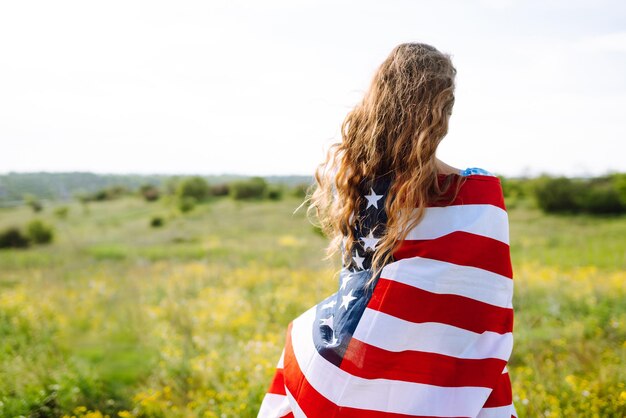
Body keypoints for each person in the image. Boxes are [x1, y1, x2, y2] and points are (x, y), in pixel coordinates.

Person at [257, 42, 517, 418]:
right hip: (440, 377)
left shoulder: (355, 181)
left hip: (346, 353)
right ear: (443, 112)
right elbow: (481, 311)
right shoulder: (477, 194)